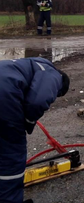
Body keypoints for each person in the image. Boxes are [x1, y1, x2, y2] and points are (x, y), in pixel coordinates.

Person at [0, 57, 70, 203]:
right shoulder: (53, 74)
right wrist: (28, 122)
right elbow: (38, 101)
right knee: (10, 156)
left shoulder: (27, 64)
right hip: (5, 98)